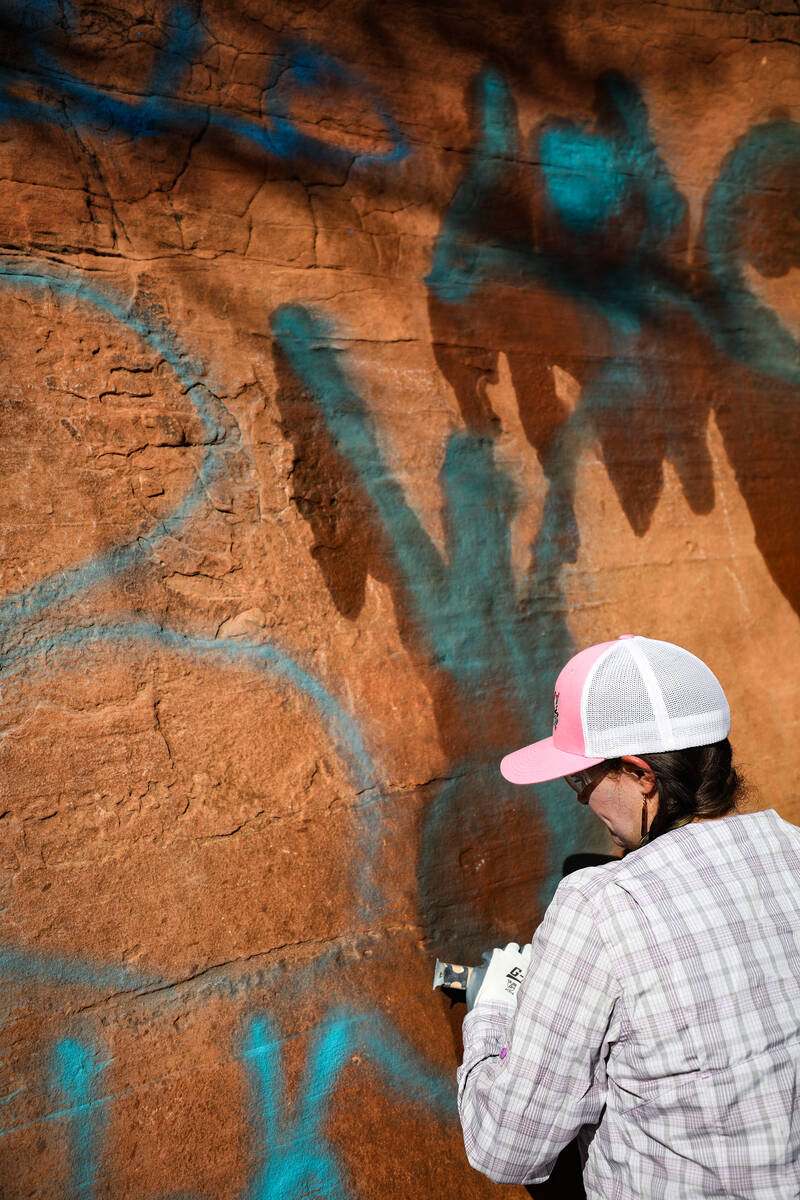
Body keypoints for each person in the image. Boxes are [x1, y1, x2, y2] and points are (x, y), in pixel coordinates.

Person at [458, 634, 800, 1198]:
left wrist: (493, 1012)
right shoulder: (791, 847)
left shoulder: (599, 906)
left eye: (583, 777)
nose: (577, 797)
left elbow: (506, 1146)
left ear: (644, 775)